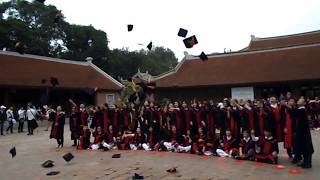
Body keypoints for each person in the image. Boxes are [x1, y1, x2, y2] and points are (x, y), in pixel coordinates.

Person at [292, 98, 314, 168]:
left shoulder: (302, 110)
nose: (298, 101)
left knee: (306, 146)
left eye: (300, 100)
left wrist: (290, 106)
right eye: (298, 100)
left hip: (304, 131)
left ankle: (308, 163)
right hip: (302, 131)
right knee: (303, 146)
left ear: (304, 103)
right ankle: (305, 161)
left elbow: (294, 113)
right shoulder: (301, 109)